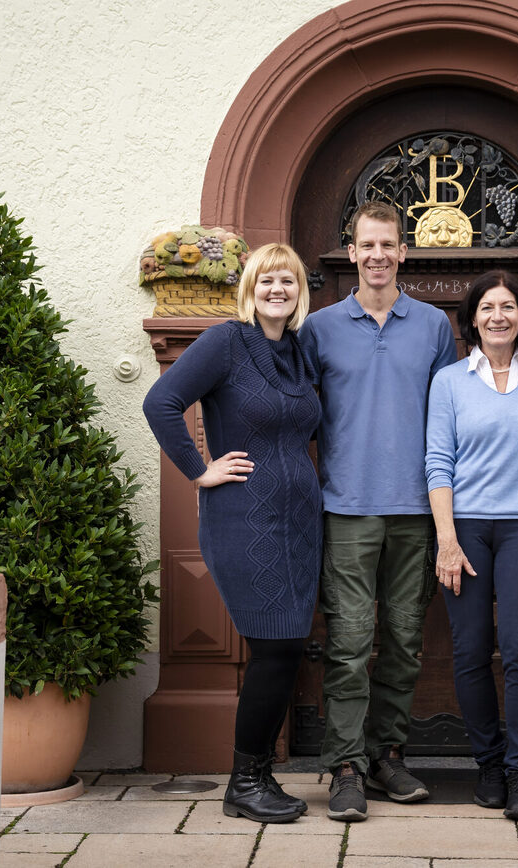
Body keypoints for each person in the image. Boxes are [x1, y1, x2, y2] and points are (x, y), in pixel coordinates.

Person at [142, 242, 321, 825]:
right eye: (267, 280)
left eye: (288, 282)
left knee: (287, 649)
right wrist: (199, 470)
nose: (278, 290)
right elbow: (161, 402)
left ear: (299, 293)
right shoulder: (225, 340)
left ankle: (255, 777)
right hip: (245, 520)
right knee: (272, 650)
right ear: (250, 288)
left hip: (299, 525)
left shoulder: (296, 351)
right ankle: (245, 782)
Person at [301, 200, 458, 822]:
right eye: (367, 246)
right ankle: (344, 767)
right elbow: (295, 410)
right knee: (347, 642)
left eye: (387, 245)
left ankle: (387, 755)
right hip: (345, 508)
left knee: (404, 641)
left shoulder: (433, 326)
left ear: (404, 252)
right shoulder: (320, 327)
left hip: (417, 511)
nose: (377, 256)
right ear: (351, 251)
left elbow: (451, 417)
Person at [424, 270, 518, 821]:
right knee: (470, 650)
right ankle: (490, 764)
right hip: (467, 527)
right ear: (472, 318)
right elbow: (438, 463)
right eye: (486, 307)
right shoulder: (450, 381)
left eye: (508, 306)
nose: (497, 316)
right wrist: (447, 541)